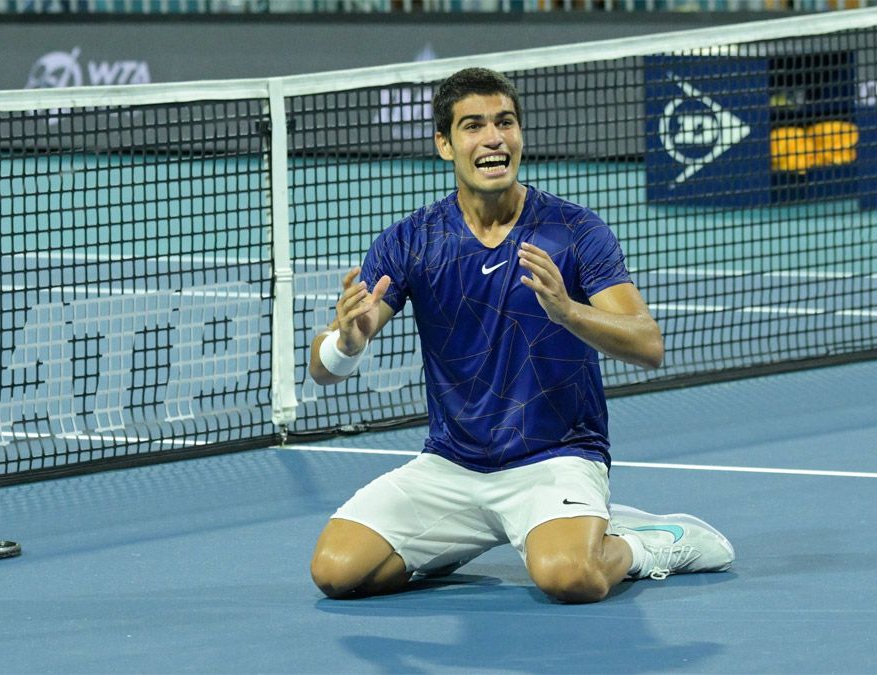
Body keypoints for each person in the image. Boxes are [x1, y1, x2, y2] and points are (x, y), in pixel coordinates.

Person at [307, 67, 734, 603]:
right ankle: (473, 535)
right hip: (452, 465)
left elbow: (648, 344)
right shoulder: (411, 240)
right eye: (473, 126)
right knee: (336, 572)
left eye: (505, 122)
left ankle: (646, 542)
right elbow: (321, 370)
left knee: (570, 579)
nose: (493, 138)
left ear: (520, 135)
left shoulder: (574, 230)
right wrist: (347, 345)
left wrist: (569, 313)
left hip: (555, 458)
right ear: (445, 144)